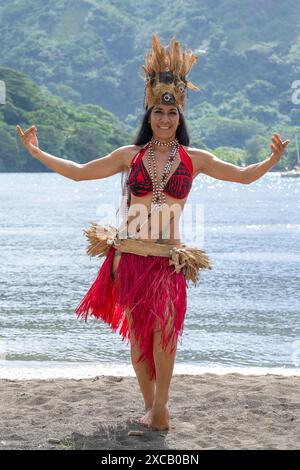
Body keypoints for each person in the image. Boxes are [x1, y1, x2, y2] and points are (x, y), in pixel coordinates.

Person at [16, 35, 289, 431]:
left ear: (180, 117)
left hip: (167, 261)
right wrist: (37, 152)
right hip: (129, 257)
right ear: (150, 115)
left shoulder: (196, 160)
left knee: (165, 335)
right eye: (159, 113)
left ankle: (162, 407)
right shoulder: (130, 156)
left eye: (172, 114)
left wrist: (271, 159)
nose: (165, 120)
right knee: (141, 340)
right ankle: (150, 408)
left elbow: (245, 177)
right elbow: (78, 172)